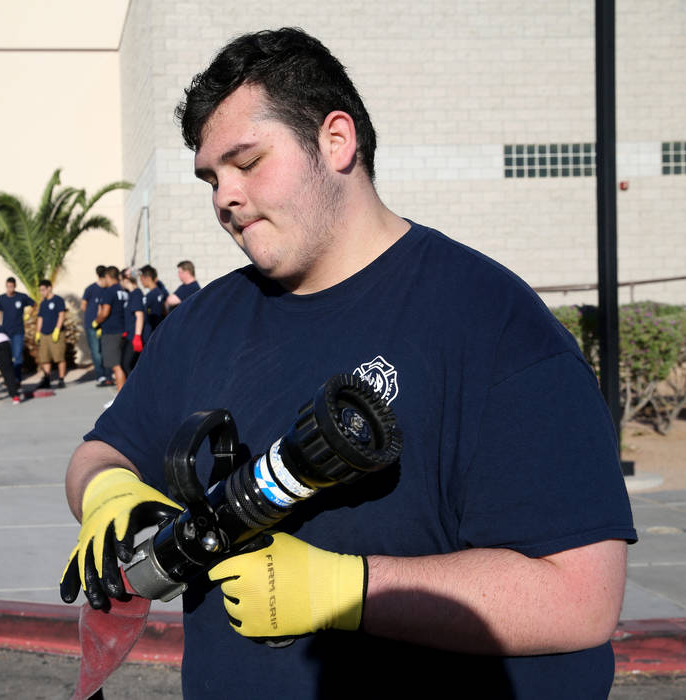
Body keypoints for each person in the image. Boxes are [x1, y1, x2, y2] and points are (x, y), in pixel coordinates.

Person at [59, 28, 636, 698]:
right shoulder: (202, 322)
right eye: (211, 178)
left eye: (247, 162)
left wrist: (349, 588)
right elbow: (100, 451)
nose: (224, 197)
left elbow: (581, 598)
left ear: (336, 140)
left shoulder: (491, 323)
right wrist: (109, 493)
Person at [92, 266, 128, 407]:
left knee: (116, 366)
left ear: (108, 276)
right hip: (122, 330)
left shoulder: (109, 291)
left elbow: (105, 312)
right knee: (121, 365)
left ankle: (120, 400)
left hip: (112, 332)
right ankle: (122, 396)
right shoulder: (122, 291)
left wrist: (96, 322)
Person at [0, 277, 35, 380]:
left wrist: (28, 315)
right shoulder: (1, 298)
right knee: (6, 357)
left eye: (11, 286)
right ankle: (9, 378)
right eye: (8, 286)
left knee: (18, 355)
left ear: (15, 286)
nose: (9, 289)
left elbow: (34, 305)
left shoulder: (21, 297)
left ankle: (17, 379)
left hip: (18, 331)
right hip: (5, 332)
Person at [35, 279, 67, 389]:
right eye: (40, 290)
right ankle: (47, 379)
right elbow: (40, 318)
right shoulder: (43, 303)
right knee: (45, 358)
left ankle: (61, 379)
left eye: (43, 290)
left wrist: (57, 329)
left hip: (56, 334)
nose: (42, 292)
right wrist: (38, 332)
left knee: (59, 357)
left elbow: (61, 315)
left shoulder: (58, 300)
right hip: (44, 334)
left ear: (49, 288)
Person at [81, 266, 109, 386]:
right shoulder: (91, 289)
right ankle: (100, 376)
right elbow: (83, 306)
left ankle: (108, 374)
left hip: (105, 324)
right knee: (96, 351)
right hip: (92, 325)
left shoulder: (108, 289)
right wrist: (95, 317)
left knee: (106, 350)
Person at [119, 268, 147, 376]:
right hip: (130, 334)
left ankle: (136, 390)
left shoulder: (136, 294)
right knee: (128, 365)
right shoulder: (131, 294)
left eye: (121, 280)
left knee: (126, 364)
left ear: (126, 280)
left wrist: (137, 336)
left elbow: (139, 315)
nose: (120, 283)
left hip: (135, 336)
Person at [138, 264, 167, 333]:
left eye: (141, 279)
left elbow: (155, 317)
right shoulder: (161, 292)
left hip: (152, 333)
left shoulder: (151, 296)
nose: (141, 282)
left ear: (148, 278)